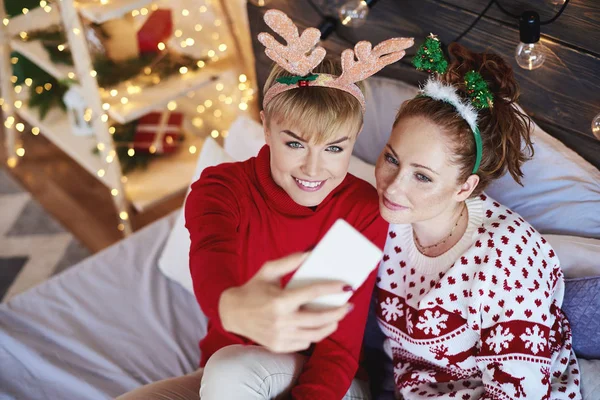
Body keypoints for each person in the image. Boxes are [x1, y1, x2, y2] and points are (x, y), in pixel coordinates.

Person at [116, 9, 412, 400]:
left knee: (230, 374)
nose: (313, 167)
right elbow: (211, 255)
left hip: (326, 383)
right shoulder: (222, 188)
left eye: (335, 148)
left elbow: (335, 351)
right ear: (266, 128)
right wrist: (232, 305)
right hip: (230, 370)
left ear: (354, 138)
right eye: (295, 143)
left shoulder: (360, 208)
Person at [373, 41, 581, 399]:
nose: (392, 187)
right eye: (392, 159)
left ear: (464, 187)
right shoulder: (379, 217)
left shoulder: (508, 258)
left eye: (422, 176)